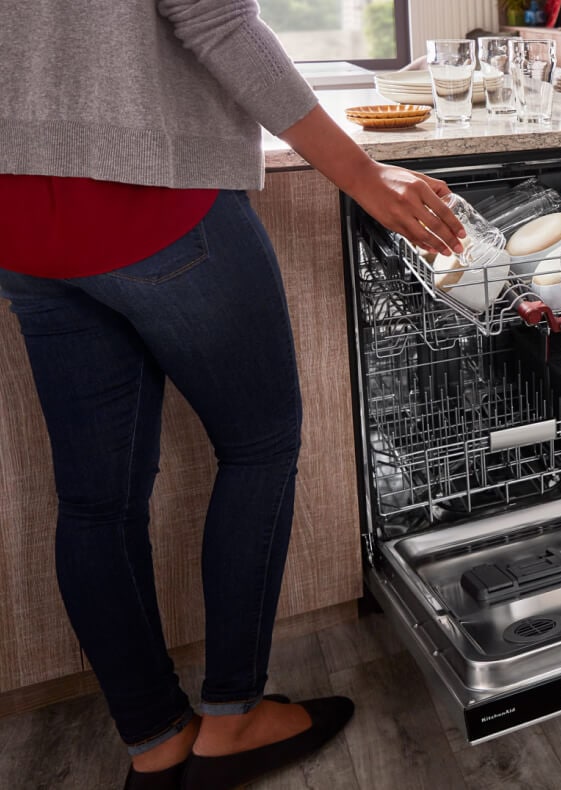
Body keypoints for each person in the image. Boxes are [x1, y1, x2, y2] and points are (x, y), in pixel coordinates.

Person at [0, 2, 466, 788]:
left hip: (19, 217)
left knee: (94, 503)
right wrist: (359, 171)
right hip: (155, 196)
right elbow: (215, 19)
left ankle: (154, 743)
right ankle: (233, 717)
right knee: (258, 447)